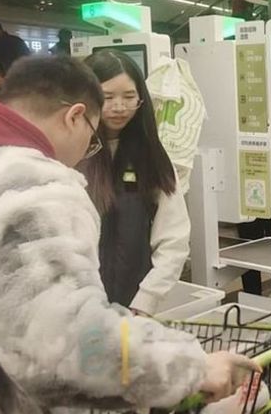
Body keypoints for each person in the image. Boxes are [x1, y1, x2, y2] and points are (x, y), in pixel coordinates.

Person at [0, 55, 258, 414]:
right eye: (93, 130)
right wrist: (191, 369)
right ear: (75, 116)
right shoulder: (33, 190)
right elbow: (60, 342)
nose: (89, 146)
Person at [78, 50, 188, 316]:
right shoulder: (71, 154)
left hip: (134, 310)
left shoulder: (151, 157)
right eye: (107, 98)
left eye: (129, 97)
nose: (119, 107)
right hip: (77, 311)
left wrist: (147, 301)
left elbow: (174, 238)